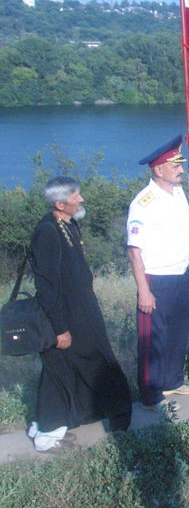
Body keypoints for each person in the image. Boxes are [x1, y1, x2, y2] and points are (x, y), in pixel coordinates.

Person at [28, 177, 131, 453]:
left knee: (80, 365)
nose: (82, 199)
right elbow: (47, 287)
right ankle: (46, 435)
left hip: (81, 312)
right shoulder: (47, 231)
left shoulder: (69, 223)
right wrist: (60, 329)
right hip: (63, 317)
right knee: (58, 370)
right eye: (76, 196)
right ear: (60, 204)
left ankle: (53, 425)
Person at [127, 135, 189, 411]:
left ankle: (172, 380)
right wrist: (143, 290)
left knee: (177, 331)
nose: (181, 169)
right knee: (153, 338)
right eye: (175, 166)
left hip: (180, 274)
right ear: (158, 170)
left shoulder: (178, 192)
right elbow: (135, 251)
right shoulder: (143, 202)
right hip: (155, 278)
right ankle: (151, 392)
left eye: (180, 165)